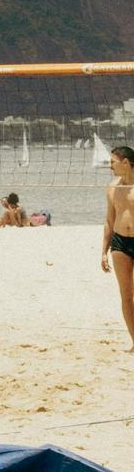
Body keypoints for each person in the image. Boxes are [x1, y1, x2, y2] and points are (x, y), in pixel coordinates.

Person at [103, 146, 134, 352]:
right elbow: (109, 220)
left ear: (125, 163)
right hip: (120, 242)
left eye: (112, 162)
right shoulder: (113, 187)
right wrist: (103, 252)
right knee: (126, 295)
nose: (109, 166)